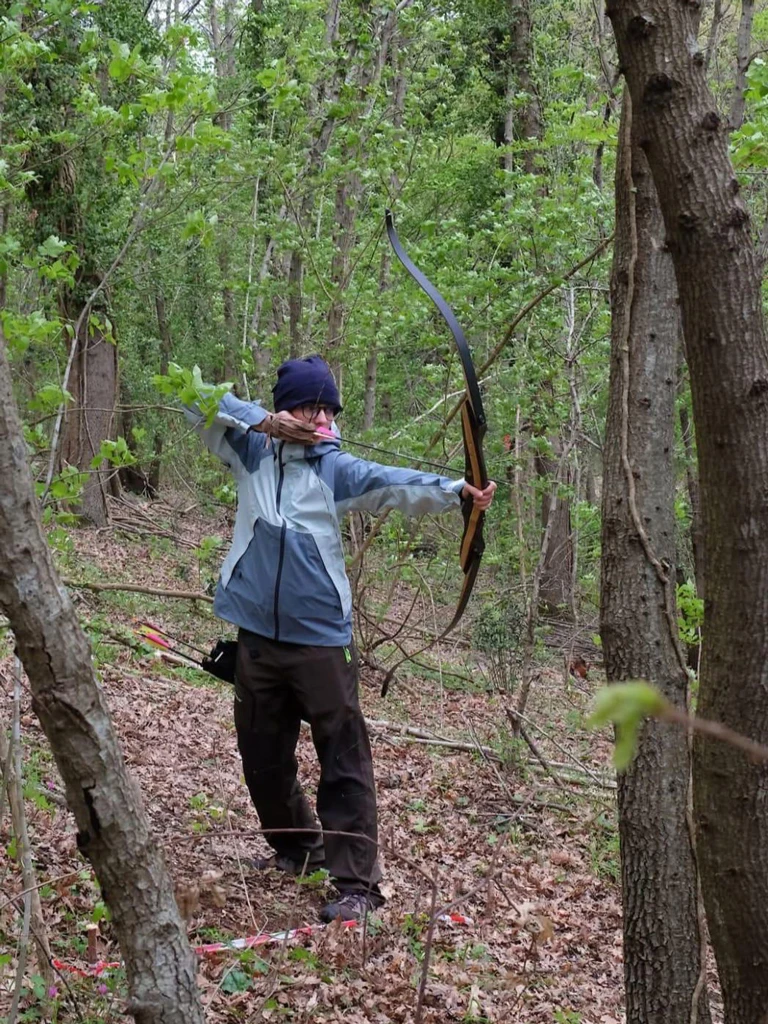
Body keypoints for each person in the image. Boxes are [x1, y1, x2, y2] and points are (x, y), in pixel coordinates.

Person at [187, 355, 496, 922]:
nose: (322, 417)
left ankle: (358, 886)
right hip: (256, 636)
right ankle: (297, 849)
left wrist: (459, 492)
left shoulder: (336, 470)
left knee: (343, 758)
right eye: (309, 406)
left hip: (322, 642)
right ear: (286, 408)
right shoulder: (249, 452)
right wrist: (260, 421)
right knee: (262, 755)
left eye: (328, 408)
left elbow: (396, 484)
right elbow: (192, 394)